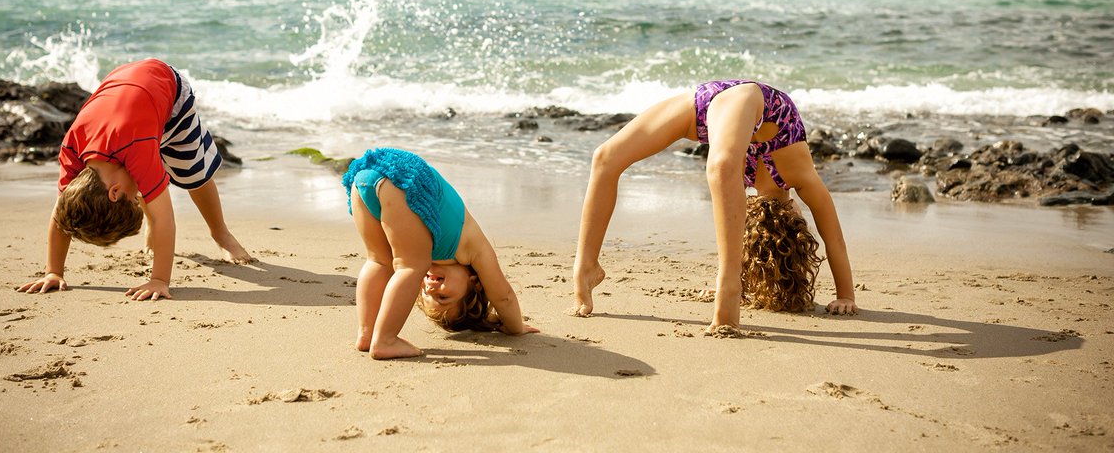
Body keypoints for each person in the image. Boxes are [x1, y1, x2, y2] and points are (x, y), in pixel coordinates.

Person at [571, 79, 858, 332]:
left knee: (605, 158)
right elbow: (835, 241)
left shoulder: (798, 183)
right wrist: (846, 296)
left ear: (795, 216)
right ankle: (729, 286)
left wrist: (847, 294)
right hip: (754, 103)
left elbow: (834, 241)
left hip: (711, 102)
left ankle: (586, 265)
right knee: (721, 167)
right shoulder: (798, 175)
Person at [17, 58, 252, 301]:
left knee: (193, 174)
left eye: (134, 199)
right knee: (147, 184)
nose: (140, 197)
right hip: (128, 86)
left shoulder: (136, 147)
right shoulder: (72, 147)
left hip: (170, 96)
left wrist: (159, 280)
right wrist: (53, 271)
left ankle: (220, 233)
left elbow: (165, 218)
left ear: (115, 191)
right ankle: (151, 222)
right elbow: (62, 215)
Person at [344, 147, 538, 359]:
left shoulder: (424, 247)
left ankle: (367, 333)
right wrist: (515, 327)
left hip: (365, 175)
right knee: (408, 266)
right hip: (405, 177)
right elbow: (504, 297)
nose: (430, 286)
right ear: (474, 283)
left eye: (427, 294)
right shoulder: (475, 250)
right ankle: (385, 340)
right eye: (444, 296)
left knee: (379, 261)